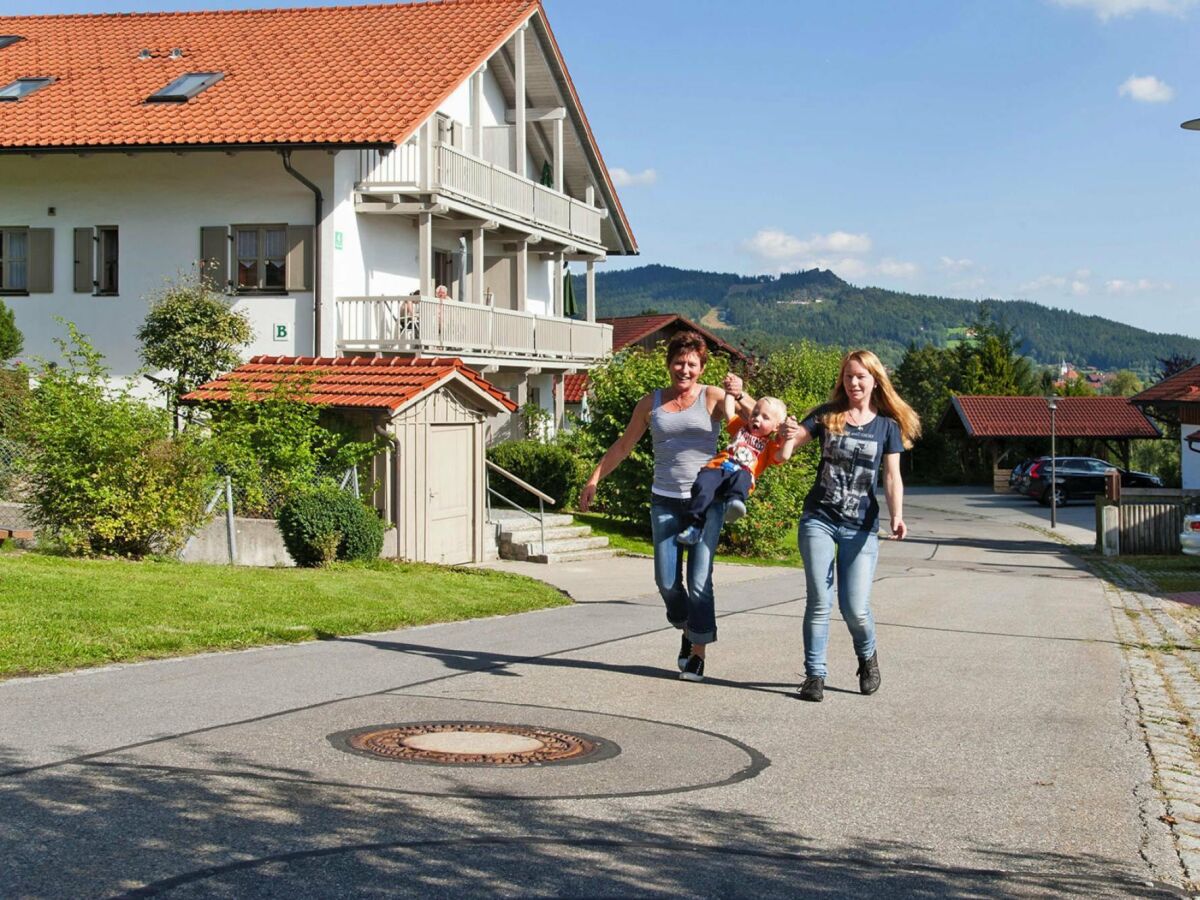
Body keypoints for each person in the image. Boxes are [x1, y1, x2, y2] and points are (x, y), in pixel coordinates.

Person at [579, 331, 751, 683]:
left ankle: (698, 653)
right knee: (667, 581)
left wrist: (741, 393)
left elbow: (761, 420)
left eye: (692, 364)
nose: (684, 370)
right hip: (665, 501)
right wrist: (595, 478)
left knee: (700, 580)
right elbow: (624, 445)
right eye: (678, 362)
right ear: (668, 364)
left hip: (706, 502)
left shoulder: (714, 398)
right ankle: (688, 628)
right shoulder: (651, 404)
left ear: (701, 368)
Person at [779, 349, 920, 703]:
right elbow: (786, 453)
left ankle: (867, 656)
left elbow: (891, 476)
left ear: (875, 380)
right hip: (820, 518)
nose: (854, 382)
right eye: (848, 376)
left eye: (860, 376)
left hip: (861, 526)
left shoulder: (887, 426)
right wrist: (785, 433)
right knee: (819, 599)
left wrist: (897, 515)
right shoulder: (827, 416)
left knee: (854, 608)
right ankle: (815, 676)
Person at [676, 394, 794, 546]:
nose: (757, 418)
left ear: (776, 427)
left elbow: (784, 455)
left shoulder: (771, 446)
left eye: (765, 418)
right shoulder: (741, 428)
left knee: (743, 476)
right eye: (755, 413)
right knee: (702, 484)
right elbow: (728, 411)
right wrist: (730, 393)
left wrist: (790, 436)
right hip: (718, 468)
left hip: (741, 473)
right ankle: (695, 527)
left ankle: (735, 503)